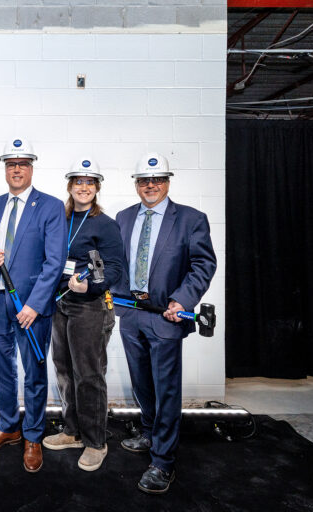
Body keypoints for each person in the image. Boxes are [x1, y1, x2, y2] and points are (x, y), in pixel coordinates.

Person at [114, 152, 217, 494]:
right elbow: (117, 262)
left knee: (166, 389)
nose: (151, 185)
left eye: (157, 179)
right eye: (144, 180)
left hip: (166, 315)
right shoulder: (124, 217)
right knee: (142, 383)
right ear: (136, 184)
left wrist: (183, 300)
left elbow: (203, 264)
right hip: (131, 314)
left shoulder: (190, 219)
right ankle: (148, 432)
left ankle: (163, 462)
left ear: (167, 182)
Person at [0, 138, 67, 473]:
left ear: (31, 168)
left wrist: (35, 305)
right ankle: (9, 426)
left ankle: (33, 436)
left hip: (30, 307)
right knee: (2, 369)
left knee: (34, 372)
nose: (17, 170)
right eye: (11, 164)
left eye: (23, 164)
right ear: (5, 169)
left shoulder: (51, 206)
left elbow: (55, 262)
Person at [42, 158, 125, 472]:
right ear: (70, 186)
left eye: (90, 183)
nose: (84, 187)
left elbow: (114, 267)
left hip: (89, 306)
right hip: (60, 304)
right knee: (64, 369)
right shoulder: (59, 218)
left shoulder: (105, 224)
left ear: (97, 188)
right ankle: (73, 431)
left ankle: (95, 441)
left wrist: (90, 285)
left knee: (88, 374)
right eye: (79, 182)